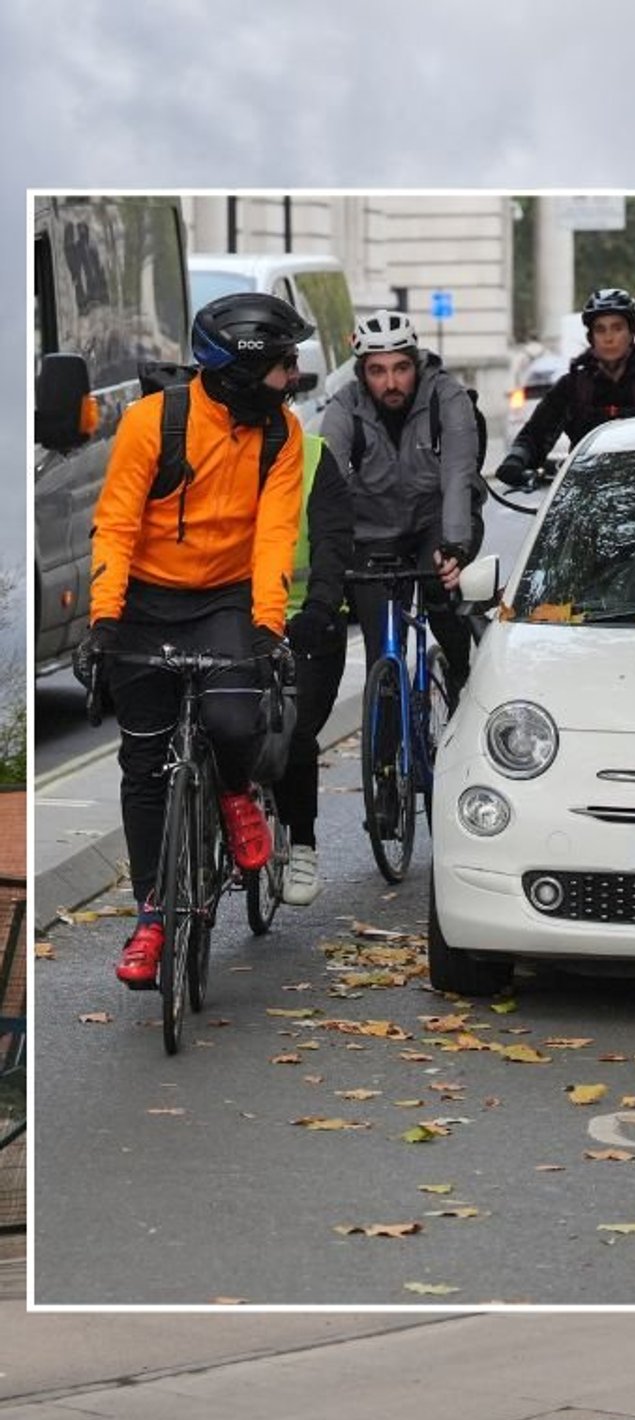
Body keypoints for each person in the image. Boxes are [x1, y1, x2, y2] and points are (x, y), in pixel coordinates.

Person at [74, 291, 308, 988]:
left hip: (225, 600)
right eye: (281, 364)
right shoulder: (153, 423)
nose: (292, 375)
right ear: (240, 369)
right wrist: (103, 621)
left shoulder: (282, 435)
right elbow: (114, 523)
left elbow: (273, 539)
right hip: (144, 600)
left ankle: (235, 791)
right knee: (143, 764)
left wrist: (268, 626)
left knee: (234, 720)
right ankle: (152, 917)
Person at [317, 310, 477, 711]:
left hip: (435, 520)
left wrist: (455, 547)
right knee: (381, 647)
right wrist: (328, 556)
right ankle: (387, 755)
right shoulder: (344, 408)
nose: (391, 383)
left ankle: (460, 671)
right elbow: (327, 485)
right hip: (372, 530)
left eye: (401, 368)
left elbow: (458, 476)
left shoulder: (446, 397)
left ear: (416, 364)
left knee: (441, 593)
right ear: (361, 373)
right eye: (377, 371)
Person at [271, 435, 356, 905]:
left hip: (308, 620)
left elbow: (332, 541)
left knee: (294, 730)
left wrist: (321, 607)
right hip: (237, 617)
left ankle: (301, 844)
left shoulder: (311, 453)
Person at [495, 287, 635, 487]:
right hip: (587, 493)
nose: (608, 338)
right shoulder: (573, 385)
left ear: (631, 333)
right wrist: (515, 460)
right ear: (591, 337)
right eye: (600, 329)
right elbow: (535, 434)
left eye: (617, 328)